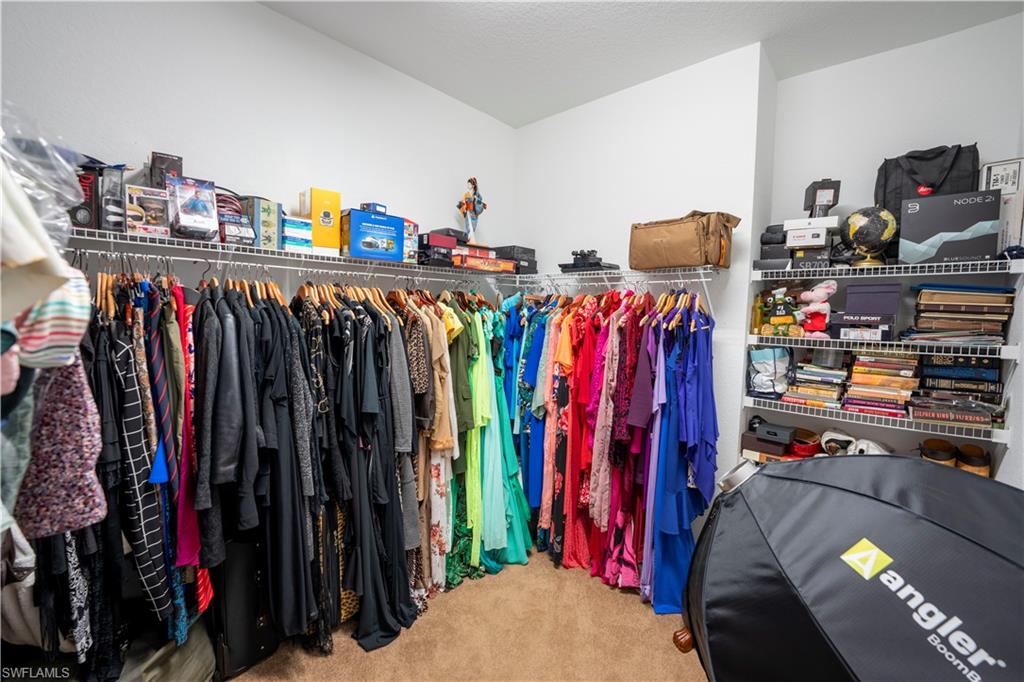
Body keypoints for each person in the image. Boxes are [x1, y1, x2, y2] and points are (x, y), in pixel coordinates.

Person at [456, 177, 487, 244]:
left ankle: (471, 240)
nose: (468, 186)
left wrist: (476, 199)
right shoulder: (466, 194)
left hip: (474, 213)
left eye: (469, 184)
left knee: (473, 227)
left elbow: (480, 202)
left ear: (473, 185)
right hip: (468, 212)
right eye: (468, 184)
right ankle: (468, 240)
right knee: (468, 227)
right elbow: (463, 202)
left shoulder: (477, 195)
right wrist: (463, 206)